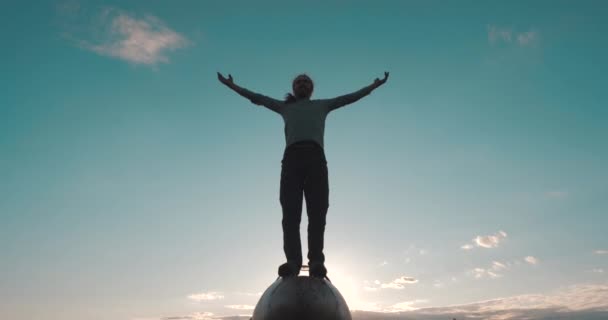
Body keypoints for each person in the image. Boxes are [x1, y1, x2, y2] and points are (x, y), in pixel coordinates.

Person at [217, 71, 389, 278]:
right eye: (298, 82)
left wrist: (373, 86)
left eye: (306, 82)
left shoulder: (322, 105)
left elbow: (349, 98)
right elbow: (258, 98)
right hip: (292, 161)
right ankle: (293, 262)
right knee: (290, 215)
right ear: (293, 88)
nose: (302, 84)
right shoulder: (285, 107)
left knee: (317, 213)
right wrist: (232, 86)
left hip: (316, 160)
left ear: (311, 88)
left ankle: (316, 261)